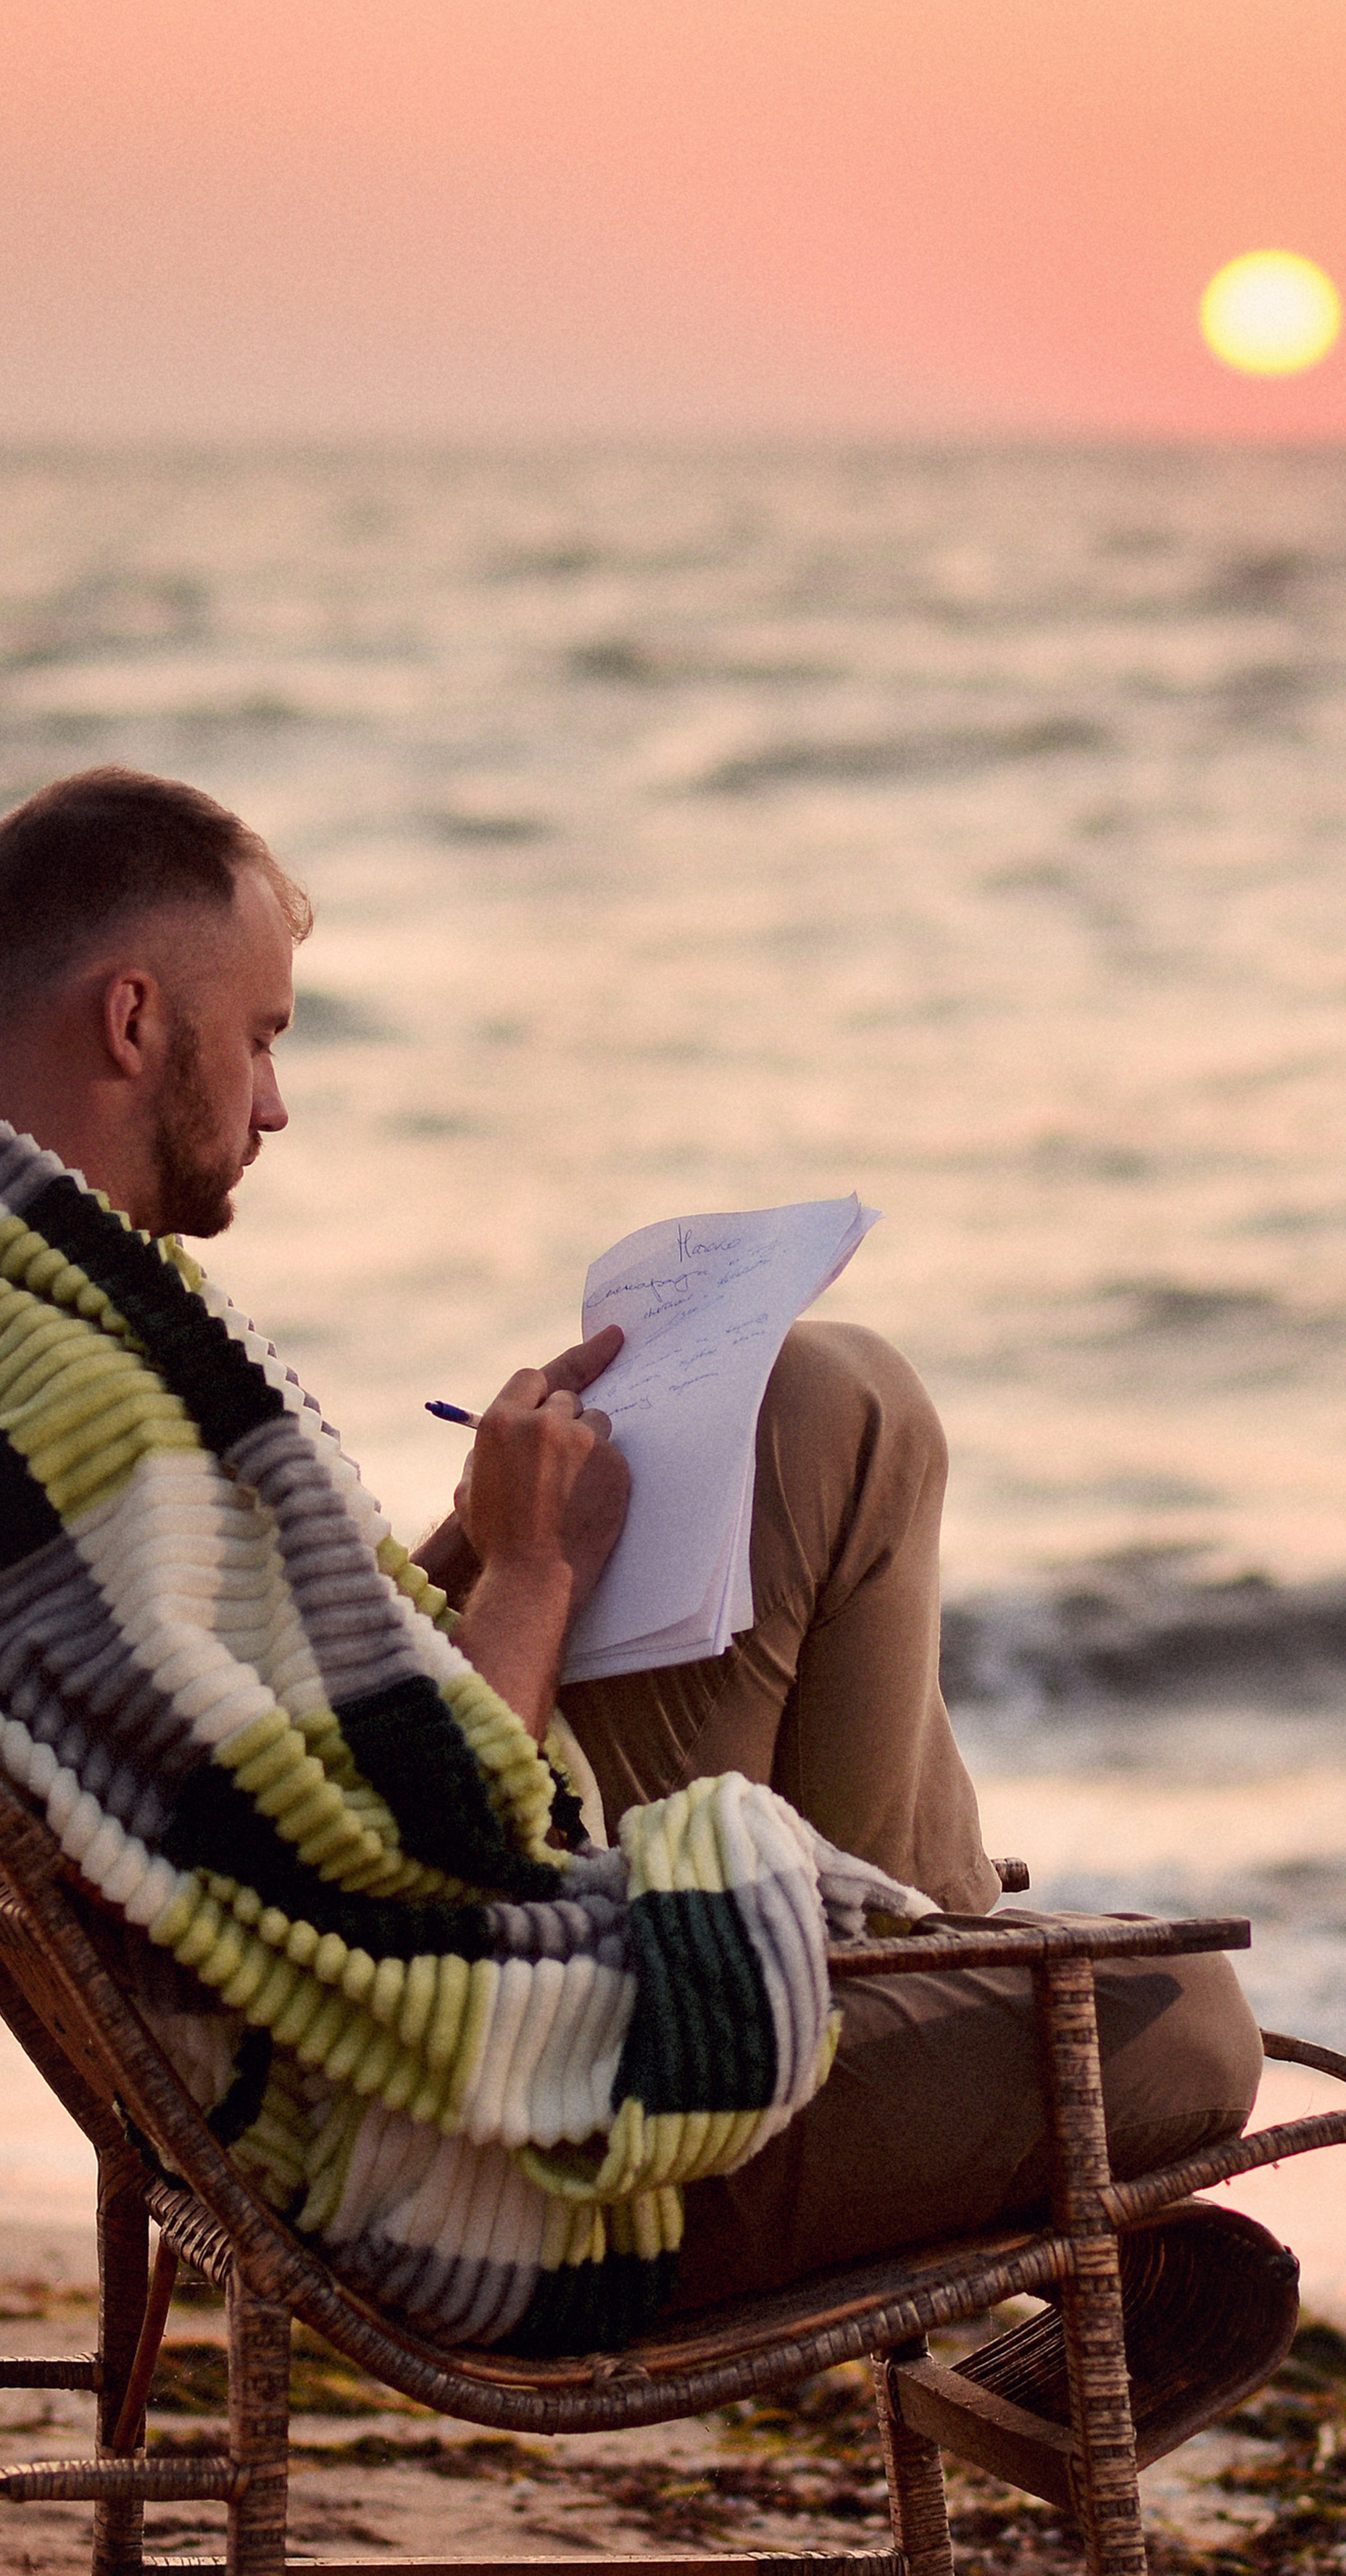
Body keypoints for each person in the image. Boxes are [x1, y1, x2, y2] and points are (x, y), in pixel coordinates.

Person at [0, 765, 1260, 2328]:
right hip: (479, 2138)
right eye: (259, 1038)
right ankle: (971, 2132)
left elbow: (265, 1762)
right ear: (132, 1022)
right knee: (1176, 2018)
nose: (273, 1104)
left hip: (426, 1961)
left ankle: (939, 2010)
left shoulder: (60, 1333)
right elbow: (421, 1876)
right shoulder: (78, 1399)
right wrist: (531, 1573)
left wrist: (472, 1535)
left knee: (825, 1404)